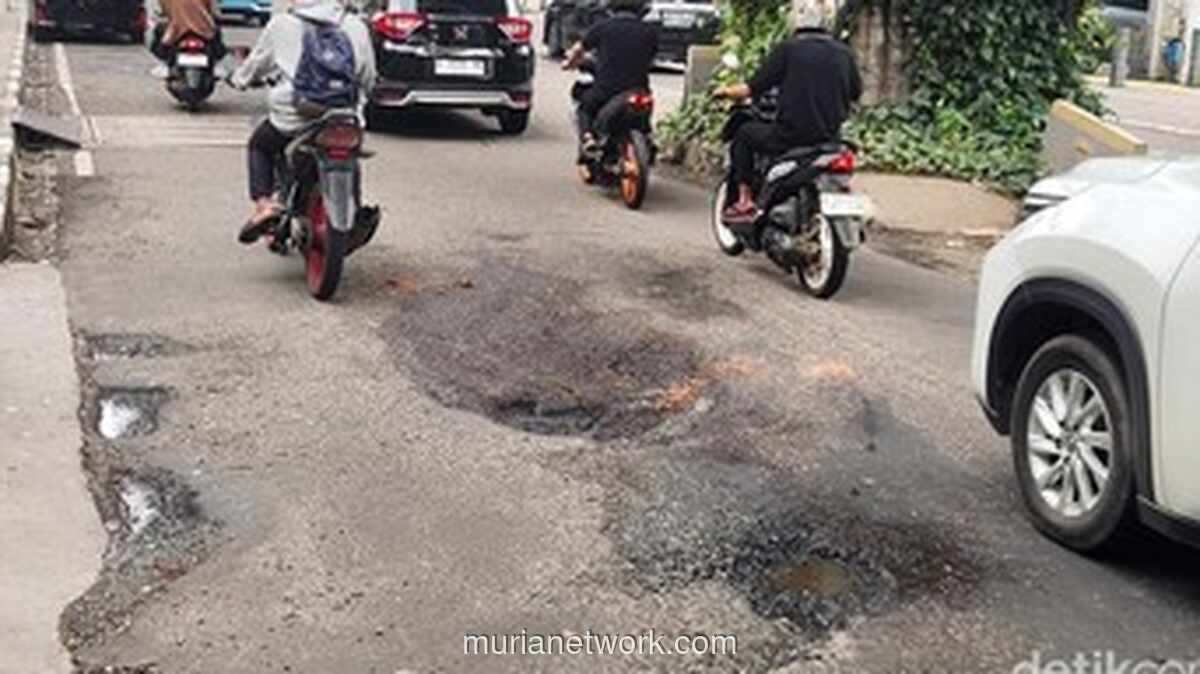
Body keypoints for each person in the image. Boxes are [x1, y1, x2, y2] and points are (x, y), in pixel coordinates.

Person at [230, 0, 376, 244]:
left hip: (295, 116)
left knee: (260, 145)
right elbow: (368, 76)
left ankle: (265, 205)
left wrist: (239, 79)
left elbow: (256, 64)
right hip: (343, 116)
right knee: (350, 156)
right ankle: (354, 208)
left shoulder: (282, 24)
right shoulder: (356, 25)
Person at [712, 0, 862, 223]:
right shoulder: (844, 52)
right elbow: (855, 92)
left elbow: (752, 88)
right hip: (830, 138)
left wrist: (724, 91)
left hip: (790, 137)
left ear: (796, 20)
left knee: (743, 134)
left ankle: (745, 200)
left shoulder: (788, 50)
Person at [562, 0, 659, 156]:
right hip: (639, 90)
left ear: (611, 8)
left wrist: (569, 62)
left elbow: (578, 49)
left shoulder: (603, 27)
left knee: (584, 108)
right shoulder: (650, 31)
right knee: (644, 117)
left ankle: (588, 138)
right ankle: (649, 138)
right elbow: (651, 57)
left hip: (607, 91)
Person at [146, 0, 226, 63]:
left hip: (176, 31)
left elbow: (159, 12)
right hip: (203, 31)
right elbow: (216, 13)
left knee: (158, 45)